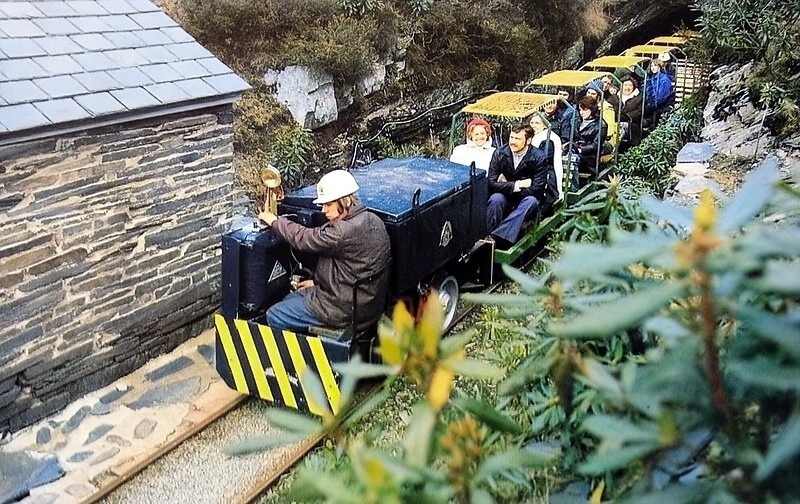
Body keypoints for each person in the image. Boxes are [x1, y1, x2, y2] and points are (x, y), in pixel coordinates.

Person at [259, 170, 391, 334]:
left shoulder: (341, 232)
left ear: (345, 200)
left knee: (274, 315)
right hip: (364, 303)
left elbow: (304, 238)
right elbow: (353, 268)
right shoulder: (374, 220)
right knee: (289, 298)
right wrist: (316, 282)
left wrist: (275, 221)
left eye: (328, 204)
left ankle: (308, 348)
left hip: (342, 309)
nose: (323, 210)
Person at [486, 124, 550, 245]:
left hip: (525, 199)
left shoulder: (539, 157)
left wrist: (506, 185)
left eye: (517, 139)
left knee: (531, 201)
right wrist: (518, 185)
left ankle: (499, 237)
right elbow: (491, 183)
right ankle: (488, 236)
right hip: (505, 196)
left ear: (528, 140)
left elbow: (537, 189)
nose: (513, 142)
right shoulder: (500, 153)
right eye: (512, 137)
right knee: (496, 198)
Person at [564, 95, 609, 186]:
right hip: (574, 150)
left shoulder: (601, 125)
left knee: (572, 159)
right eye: (580, 110)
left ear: (592, 109)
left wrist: (581, 149)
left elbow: (596, 145)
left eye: (585, 110)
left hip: (589, 157)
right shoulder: (576, 121)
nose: (582, 113)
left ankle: (573, 187)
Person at [529, 114, 563, 203]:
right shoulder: (534, 136)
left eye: (537, 123)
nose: (533, 126)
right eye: (532, 123)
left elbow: (544, 159)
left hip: (547, 173)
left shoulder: (549, 139)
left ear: (544, 125)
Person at [607, 76, 644, 146]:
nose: (627, 87)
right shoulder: (613, 98)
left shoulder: (638, 98)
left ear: (633, 87)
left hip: (631, 126)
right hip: (614, 124)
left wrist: (627, 116)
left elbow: (639, 111)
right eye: (625, 85)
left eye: (630, 85)